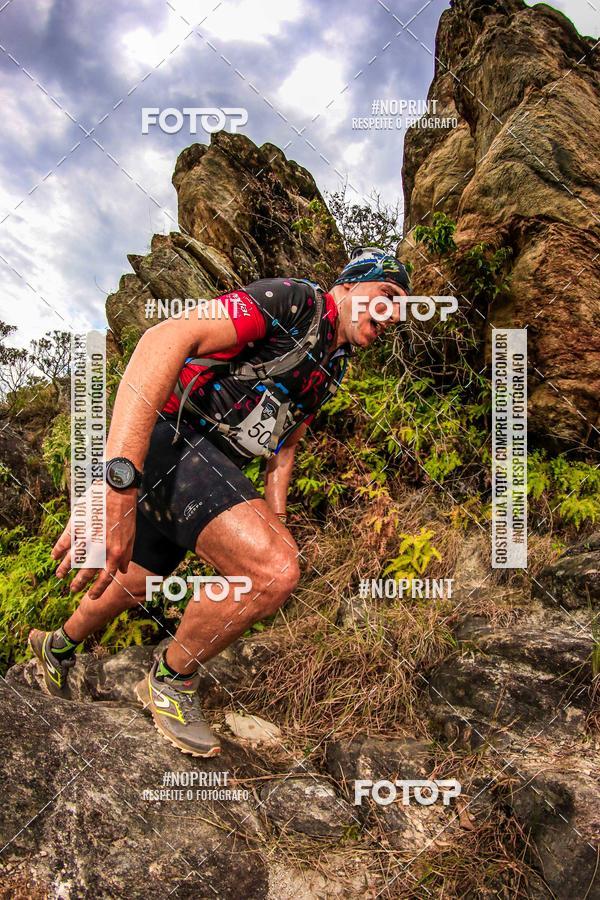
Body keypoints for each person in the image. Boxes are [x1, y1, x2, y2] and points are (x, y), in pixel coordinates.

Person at [28, 247, 411, 757]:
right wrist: (116, 480)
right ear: (349, 284)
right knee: (273, 569)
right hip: (171, 438)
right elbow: (163, 338)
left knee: (133, 579)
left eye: (401, 309)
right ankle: (171, 681)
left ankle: (55, 647)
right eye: (387, 296)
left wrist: (275, 518)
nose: (393, 315)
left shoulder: (334, 366)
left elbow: (285, 447)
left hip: (209, 468)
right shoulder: (293, 300)